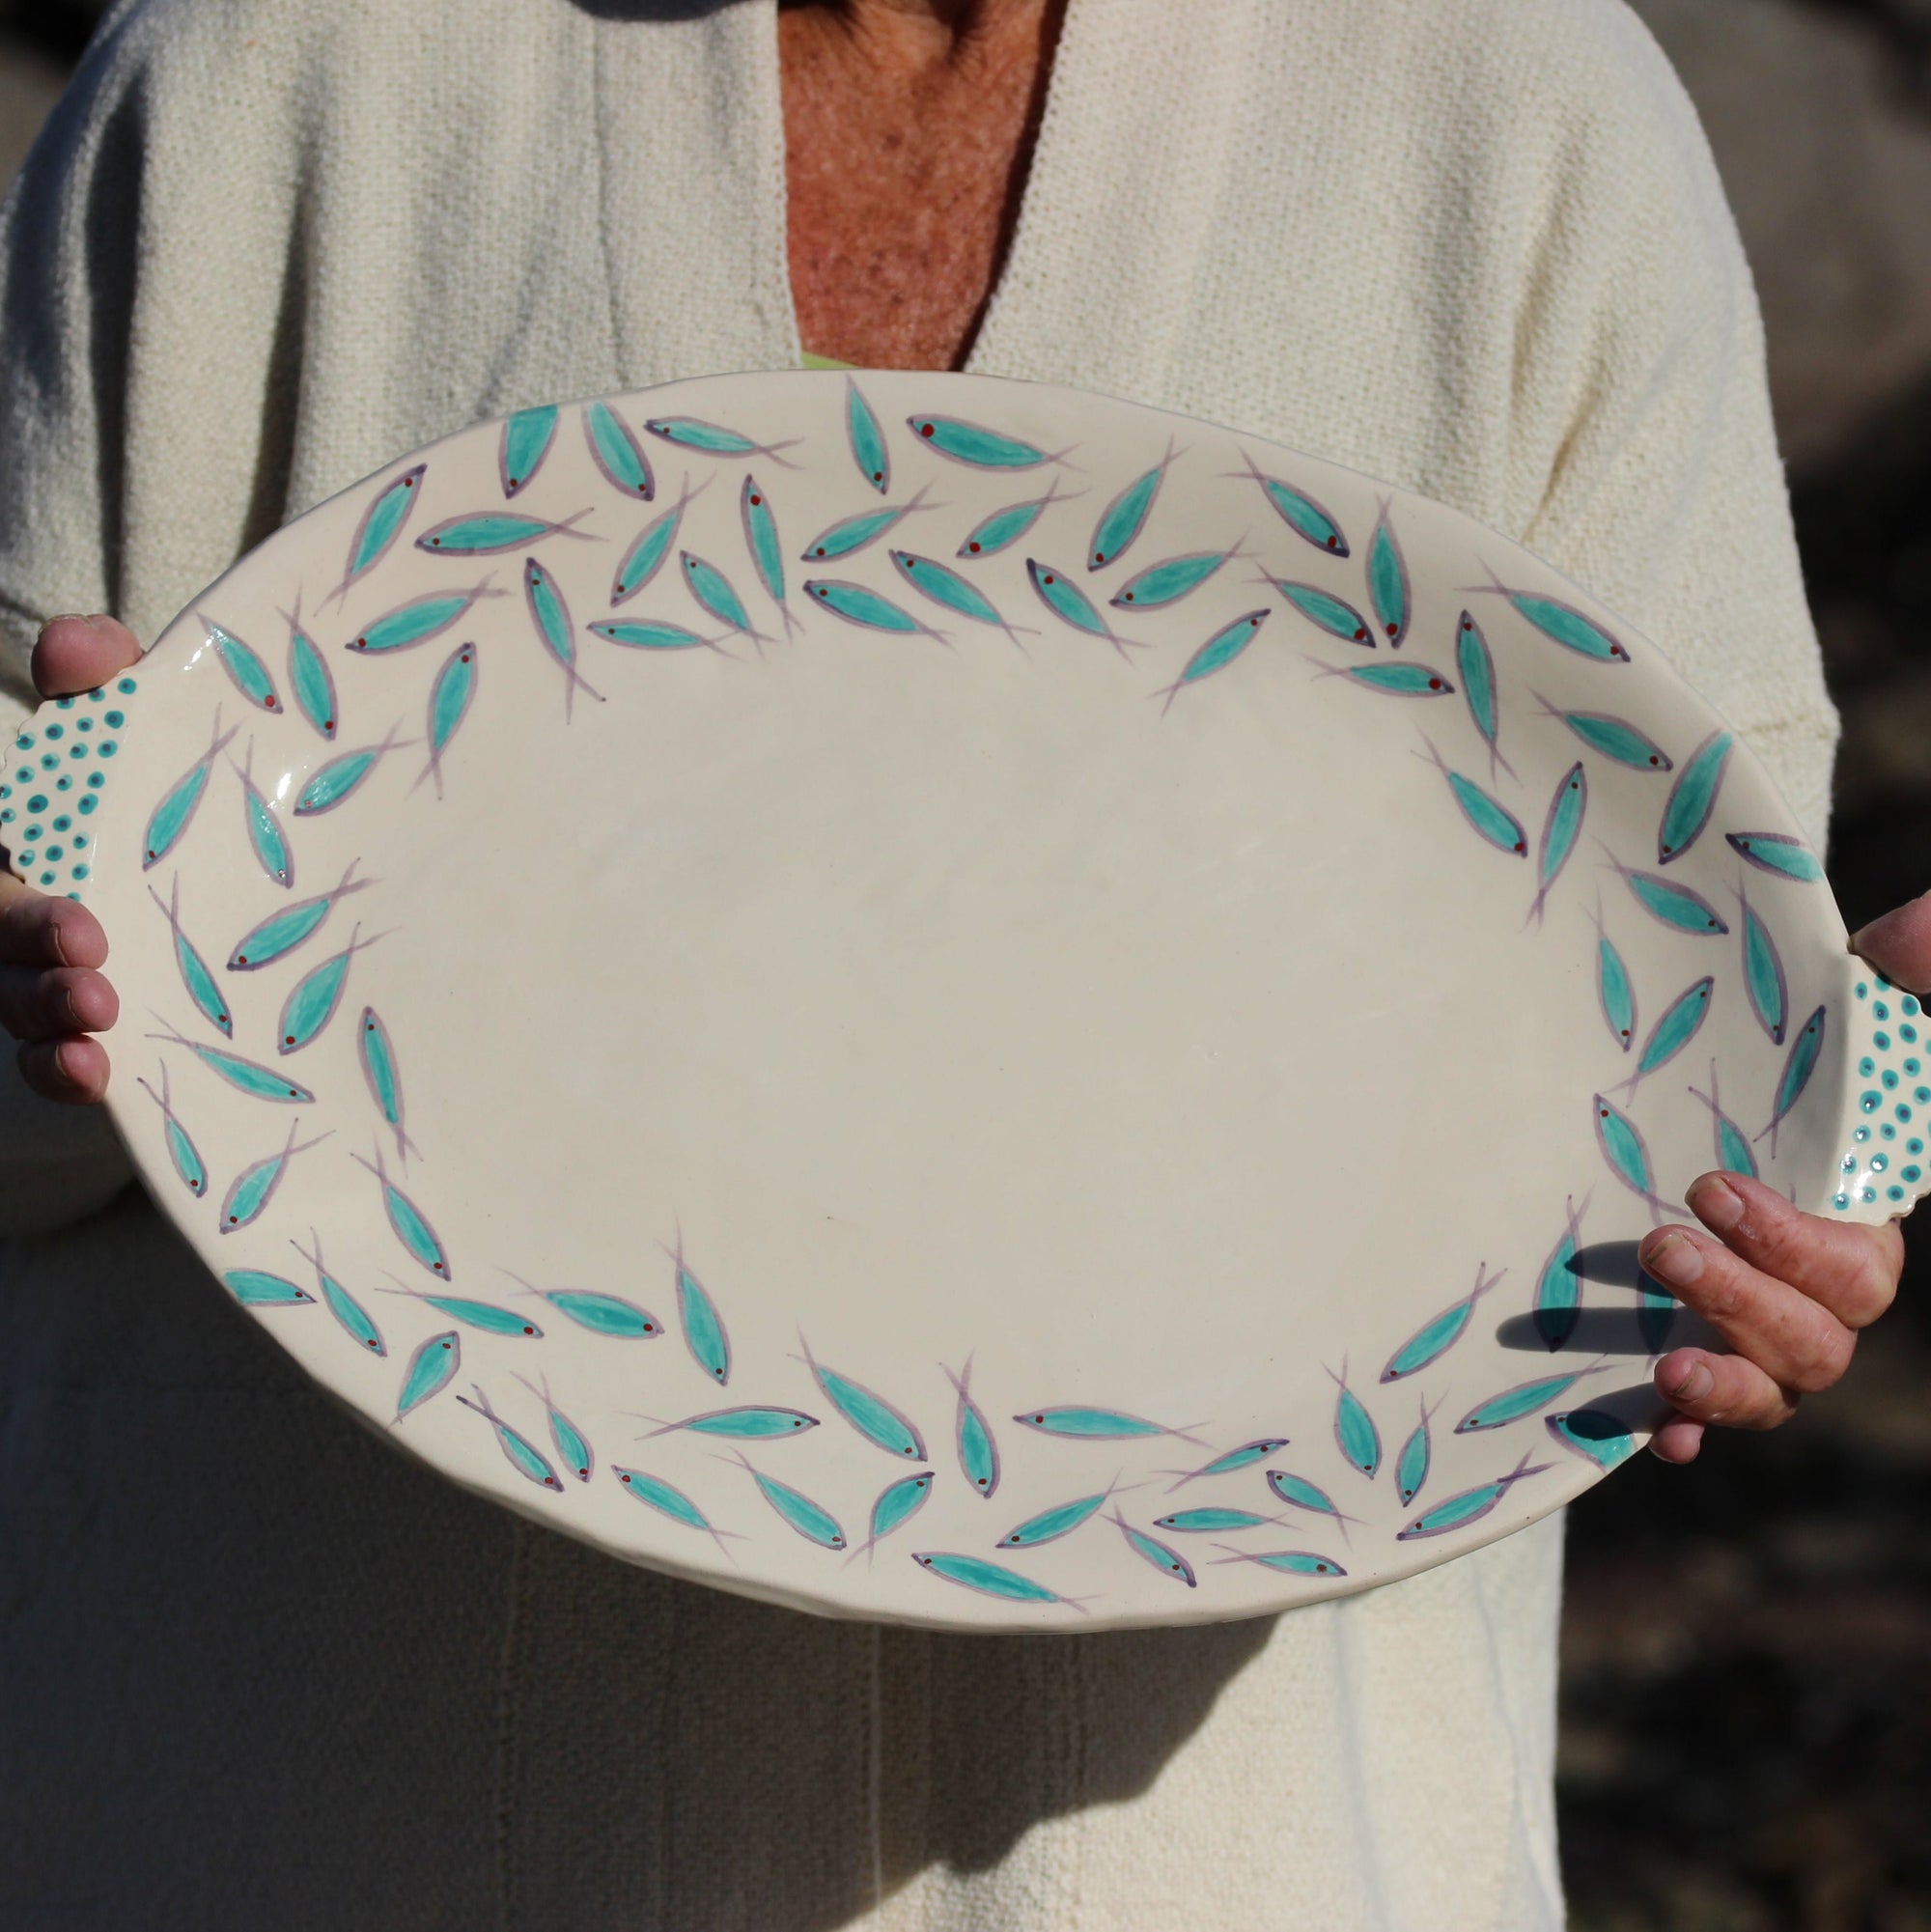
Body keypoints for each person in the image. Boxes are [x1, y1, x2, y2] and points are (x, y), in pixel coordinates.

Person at [0, 0, 1919, 1924]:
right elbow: (40, 961)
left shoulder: (1513, 102)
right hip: (328, 1816)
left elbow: (1705, 1046)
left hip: (1197, 1868)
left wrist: (1821, 1181)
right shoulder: (281, 64)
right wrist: (46, 990)